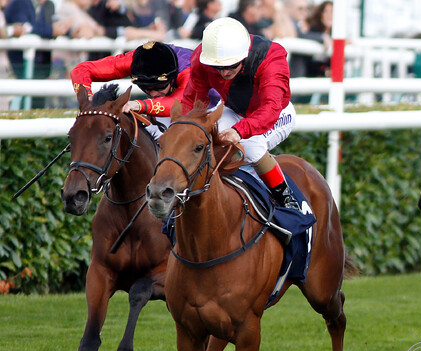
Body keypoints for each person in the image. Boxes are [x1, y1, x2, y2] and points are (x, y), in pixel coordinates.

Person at [182, 17, 299, 210]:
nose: (224, 73)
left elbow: (270, 108)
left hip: (277, 114)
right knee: (202, 140)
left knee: (249, 143)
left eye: (231, 66)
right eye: (218, 67)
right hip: (235, 110)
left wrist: (239, 131)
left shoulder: (271, 58)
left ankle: (286, 199)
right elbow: (193, 102)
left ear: (244, 56)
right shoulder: (201, 58)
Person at [70, 41, 209, 138]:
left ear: (172, 78)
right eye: (146, 88)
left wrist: (139, 104)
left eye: (160, 87)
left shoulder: (188, 68)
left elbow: (182, 103)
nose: (154, 94)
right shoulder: (134, 61)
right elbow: (81, 69)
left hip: (212, 105)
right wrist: (87, 97)